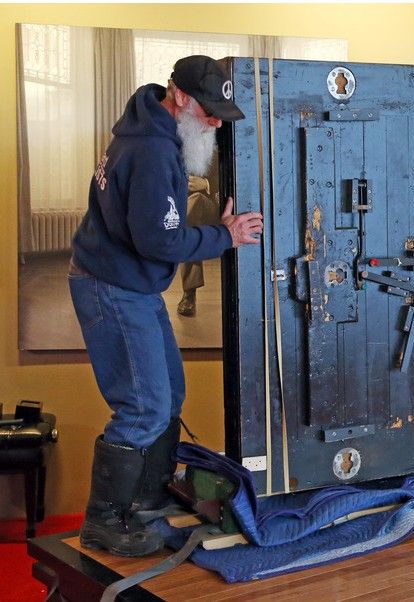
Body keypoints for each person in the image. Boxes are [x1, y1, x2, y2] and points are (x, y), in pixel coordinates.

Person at [68, 55, 262, 556]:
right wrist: (225, 236)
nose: (217, 121)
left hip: (127, 282)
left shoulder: (150, 129)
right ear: (178, 97)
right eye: (210, 110)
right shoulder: (152, 150)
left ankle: (146, 502)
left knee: (169, 393)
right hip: (112, 286)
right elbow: (159, 240)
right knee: (144, 405)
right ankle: (103, 522)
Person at [176, 175, 219, 317]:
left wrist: (206, 184)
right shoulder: (175, 155)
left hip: (214, 207)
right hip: (182, 211)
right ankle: (189, 294)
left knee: (196, 200)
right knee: (189, 224)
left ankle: (189, 294)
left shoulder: (216, 153)